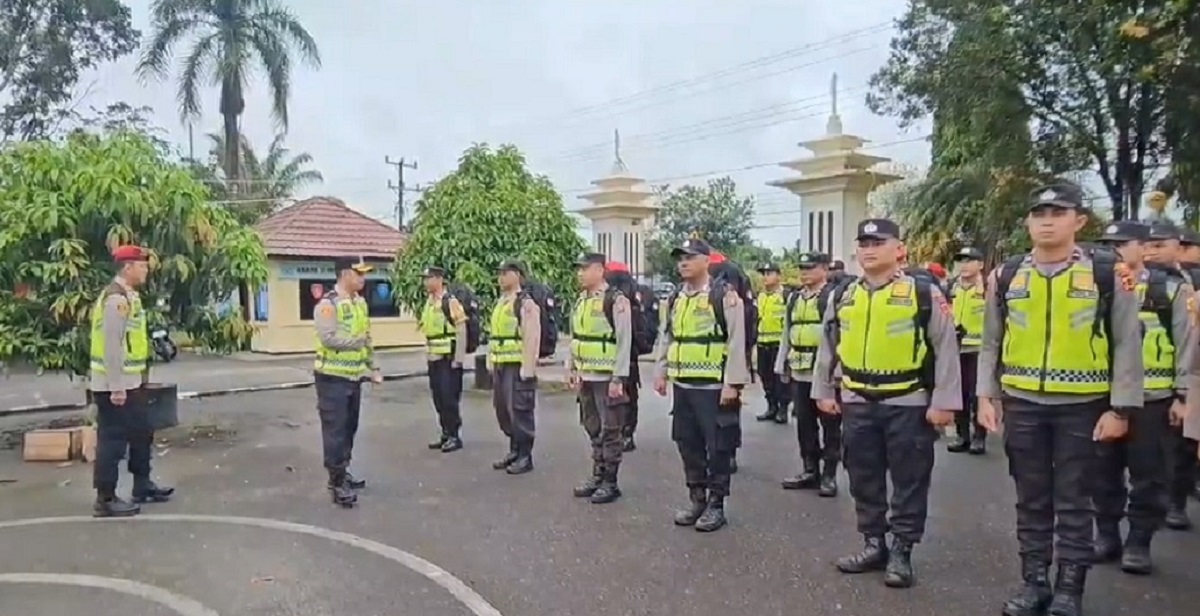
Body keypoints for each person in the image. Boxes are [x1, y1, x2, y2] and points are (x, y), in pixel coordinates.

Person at [976, 183, 1143, 616]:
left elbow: (1127, 343)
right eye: (1039, 212)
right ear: (1029, 222)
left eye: (1058, 211)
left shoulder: (1107, 272)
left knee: (1074, 500)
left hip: (1083, 406)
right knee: (1031, 498)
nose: (1047, 220)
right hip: (1023, 403)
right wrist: (985, 396)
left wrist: (1120, 407)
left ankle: (1070, 587)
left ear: (1079, 221)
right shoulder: (1007, 275)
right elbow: (991, 342)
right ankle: (1034, 583)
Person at [812, 218, 961, 588]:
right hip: (857, 399)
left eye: (878, 242)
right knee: (863, 477)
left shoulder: (923, 292)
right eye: (863, 243)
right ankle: (873, 542)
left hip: (908, 401)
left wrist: (943, 401)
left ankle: (902, 550)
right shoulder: (843, 294)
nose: (869, 249)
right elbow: (828, 346)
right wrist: (823, 390)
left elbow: (946, 349)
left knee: (909, 481)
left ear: (899, 249)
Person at [1091, 221, 1191, 572]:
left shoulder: (1170, 289)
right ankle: (1106, 535)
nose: (1113, 249)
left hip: (1154, 398)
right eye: (1107, 243)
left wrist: (1184, 396)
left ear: (1143, 247)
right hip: (1105, 397)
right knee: (1102, 471)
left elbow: (1187, 345)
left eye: (1122, 243)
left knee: (1149, 474)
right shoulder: (1097, 285)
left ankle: (1139, 542)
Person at [654, 238, 749, 532]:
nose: (683, 262)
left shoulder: (724, 296)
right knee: (687, 443)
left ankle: (716, 504)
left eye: (690, 257)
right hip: (683, 384)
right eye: (680, 258)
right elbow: (666, 336)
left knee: (718, 446)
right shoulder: (675, 299)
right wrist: (661, 370)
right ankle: (697, 497)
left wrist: (732, 383)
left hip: (713, 386)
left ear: (706, 261)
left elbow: (736, 341)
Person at [89, 245, 173, 517]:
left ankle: (142, 485)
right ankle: (105, 498)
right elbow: (112, 345)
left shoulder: (130, 296)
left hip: (132, 382)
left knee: (141, 432)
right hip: (114, 385)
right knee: (112, 441)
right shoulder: (116, 299)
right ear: (127, 267)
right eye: (142, 265)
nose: (146, 270)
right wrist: (116, 386)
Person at [313, 257, 381, 507]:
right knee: (335, 431)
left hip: (353, 377)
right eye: (358, 273)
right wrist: (357, 342)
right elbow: (328, 338)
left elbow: (367, 337)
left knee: (350, 427)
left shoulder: (359, 303)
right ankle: (336, 481)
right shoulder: (328, 305)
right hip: (331, 378)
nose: (363, 278)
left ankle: (344, 471)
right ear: (344, 274)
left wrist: (373, 367)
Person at [567, 253, 633, 504]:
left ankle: (610, 481)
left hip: (607, 377)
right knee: (591, 426)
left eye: (584, 269)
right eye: (579, 269)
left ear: (599, 270)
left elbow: (624, 341)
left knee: (611, 429)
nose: (580, 274)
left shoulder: (615, 300)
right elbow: (576, 336)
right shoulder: (581, 300)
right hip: (586, 375)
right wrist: (572, 367)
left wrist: (619, 378)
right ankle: (597, 474)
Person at [776, 252, 842, 496]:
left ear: (824, 269)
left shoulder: (832, 296)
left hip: (824, 371)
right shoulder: (794, 298)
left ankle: (829, 474)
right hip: (799, 370)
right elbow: (787, 331)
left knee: (830, 425)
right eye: (801, 267)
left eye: (810, 267)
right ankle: (810, 469)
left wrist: (838, 372)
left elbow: (839, 336)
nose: (804, 272)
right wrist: (781, 364)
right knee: (804, 424)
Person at [488, 260, 542, 474]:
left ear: (518, 275)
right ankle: (514, 449)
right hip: (501, 363)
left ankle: (525, 455)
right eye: (499, 273)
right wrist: (491, 361)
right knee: (502, 409)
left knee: (520, 410)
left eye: (505, 273)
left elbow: (531, 337)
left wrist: (527, 369)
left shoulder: (525, 303)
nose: (500, 277)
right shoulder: (501, 302)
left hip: (517, 364)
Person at [419, 266, 468, 453]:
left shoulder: (450, 301)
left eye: (429, 278)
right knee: (438, 397)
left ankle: (455, 435)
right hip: (434, 357)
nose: (425, 282)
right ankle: (445, 432)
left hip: (448, 358)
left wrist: (459, 359)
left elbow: (461, 328)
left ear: (439, 279)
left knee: (449, 398)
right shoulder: (429, 302)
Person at [947, 247, 988, 454]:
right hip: (956, 350)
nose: (964, 265)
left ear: (980, 264)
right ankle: (962, 435)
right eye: (960, 261)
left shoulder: (988, 288)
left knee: (977, 395)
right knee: (959, 395)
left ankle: (979, 437)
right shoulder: (951, 288)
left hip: (979, 351)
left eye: (969, 260)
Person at [755, 262, 789, 424]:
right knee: (765, 377)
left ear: (778, 275)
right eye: (764, 274)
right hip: (763, 343)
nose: (765, 277)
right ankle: (771, 406)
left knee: (780, 380)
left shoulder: (785, 295)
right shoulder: (761, 296)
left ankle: (783, 409)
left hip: (778, 344)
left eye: (769, 273)